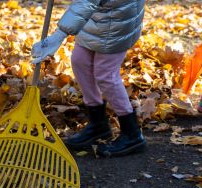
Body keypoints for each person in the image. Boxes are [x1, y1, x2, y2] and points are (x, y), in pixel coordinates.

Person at [32, 0, 146, 157]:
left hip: (119, 19)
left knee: (105, 74)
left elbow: (87, 2)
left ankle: (132, 133)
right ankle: (98, 124)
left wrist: (59, 35)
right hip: (96, 16)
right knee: (80, 61)